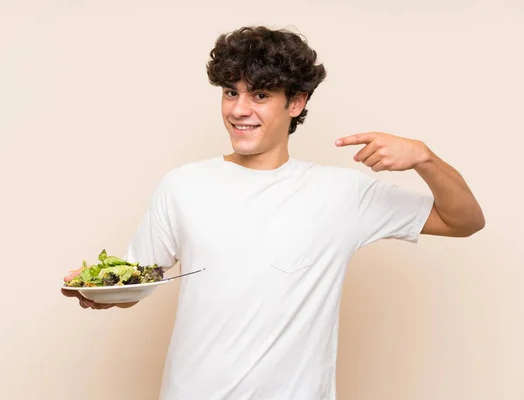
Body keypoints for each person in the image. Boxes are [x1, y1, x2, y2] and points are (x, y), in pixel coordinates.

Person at [62, 26, 485, 400]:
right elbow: (139, 279)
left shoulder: (342, 193)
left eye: (260, 95)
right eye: (231, 92)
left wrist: (425, 159)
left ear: (296, 103)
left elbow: (464, 222)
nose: (238, 109)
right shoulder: (183, 185)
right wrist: (102, 294)